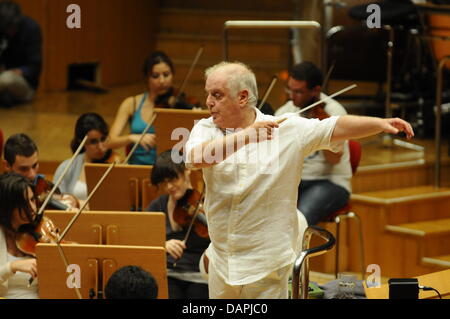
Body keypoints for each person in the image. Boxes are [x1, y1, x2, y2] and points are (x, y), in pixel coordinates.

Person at [184, 61, 414, 299]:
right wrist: (246, 136)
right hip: (222, 260)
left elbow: (336, 126)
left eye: (217, 95)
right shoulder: (205, 128)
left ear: (242, 97)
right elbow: (194, 157)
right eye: (208, 94)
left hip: (266, 263)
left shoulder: (287, 129)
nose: (209, 102)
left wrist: (381, 123)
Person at [275, 61, 351, 225]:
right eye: (290, 89)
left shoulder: (333, 113)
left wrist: (323, 128)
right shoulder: (285, 112)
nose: (291, 96)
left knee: (299, 220)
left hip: (329, 182)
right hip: (294, 181)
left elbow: (334, 159)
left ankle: (299, 251)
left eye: (299, 92)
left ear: (316, 90)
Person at [107, 51, 198, 165]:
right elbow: (109, 142)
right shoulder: (131, 103)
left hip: (170, 170)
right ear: (146, 78)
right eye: (155, 76)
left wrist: (195, 115)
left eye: (166, 75)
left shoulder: (180, 103)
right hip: (138, 167)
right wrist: (132, 138)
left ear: (172, 75)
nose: (161, 81)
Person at [146, 150, 209, 299]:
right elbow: (142, 241)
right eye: (164, 182)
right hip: (168, 274)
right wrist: (163, 245)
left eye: (173, 179)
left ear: (187, 171)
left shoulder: (206, 204)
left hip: (199, 276)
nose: (169, 187)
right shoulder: (158, 206)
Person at [53, 113, 121, 201]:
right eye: (93, 142)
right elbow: (55, 198)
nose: (100, 147)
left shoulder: (115, 162)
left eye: (103, 139)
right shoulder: (67, 167)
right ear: (81, 141)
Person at [3, 133, 79, 209]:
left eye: (34, 166)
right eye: (24, 169)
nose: (32, 175)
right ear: (7, 166)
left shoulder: (49, 188)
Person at [0, 172, 38, 298]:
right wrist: (12, 267)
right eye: (25, 204)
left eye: (32, 200)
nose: (33, 208)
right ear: (8, 207)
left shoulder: (40, 233)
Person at [0, 1, 42, 108]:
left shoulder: (31, 28)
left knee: (7, 79)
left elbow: (35, 66)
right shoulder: (2, 29)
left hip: (24, 83)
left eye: (10, 27)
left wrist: (19, 71)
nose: (8, 32)